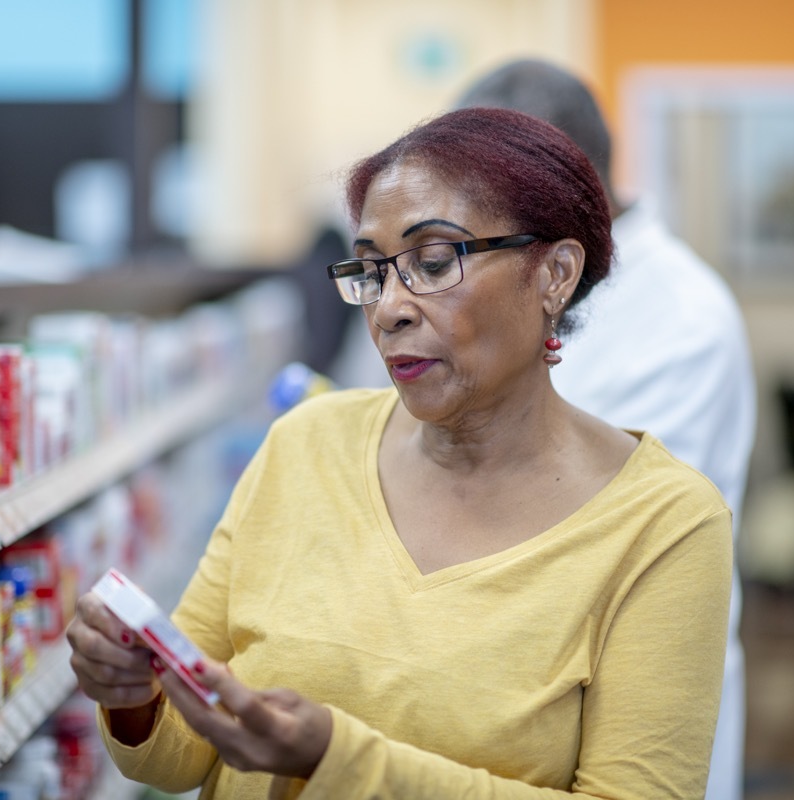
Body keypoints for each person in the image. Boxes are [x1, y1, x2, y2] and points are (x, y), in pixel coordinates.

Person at [68, 107, 733, 798]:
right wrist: (134, 694)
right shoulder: (306, 445)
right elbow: (181, 756)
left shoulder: (663, 525)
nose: (389, 307)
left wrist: (336, 758)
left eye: (433, 262)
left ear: (555, 274)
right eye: (372, 271)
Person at [457, 60, 756, 800]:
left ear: (568, 182)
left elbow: (600, 524)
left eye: (482, 196)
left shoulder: (682, 319)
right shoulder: (512, 278)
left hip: (623, 688)